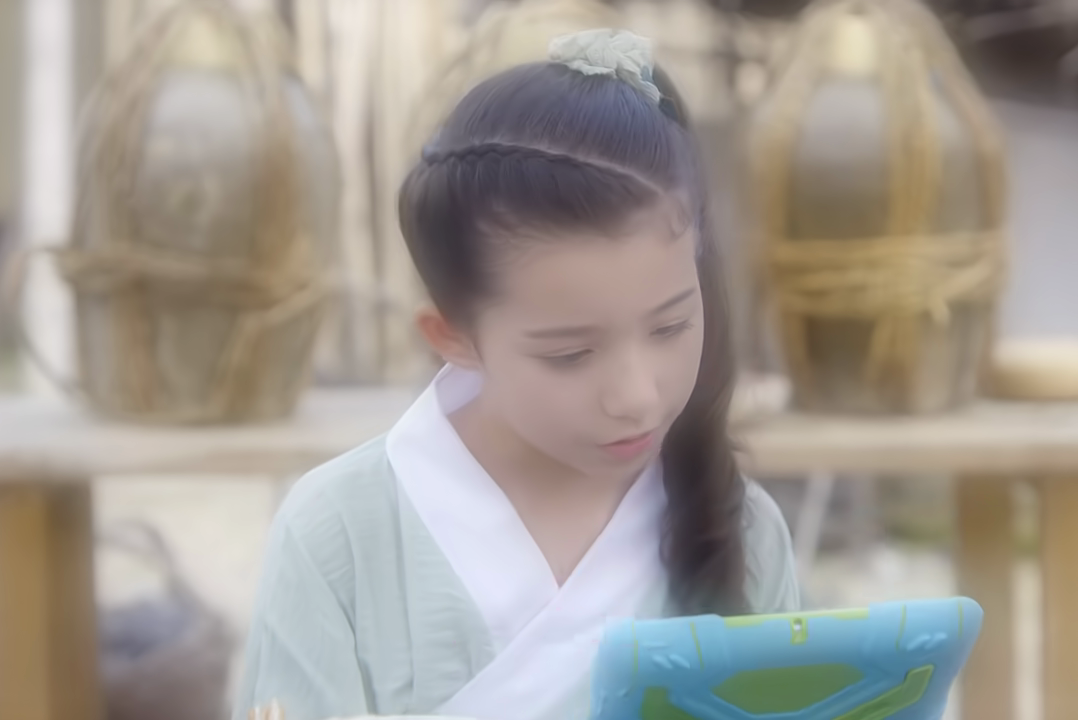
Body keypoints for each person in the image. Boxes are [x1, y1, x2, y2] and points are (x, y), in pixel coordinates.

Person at [232, 28, 801, 720]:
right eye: (570, 354)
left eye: (671, 326)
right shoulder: (338, 535)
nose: (637, 396)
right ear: (454, 337)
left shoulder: (744, 530)